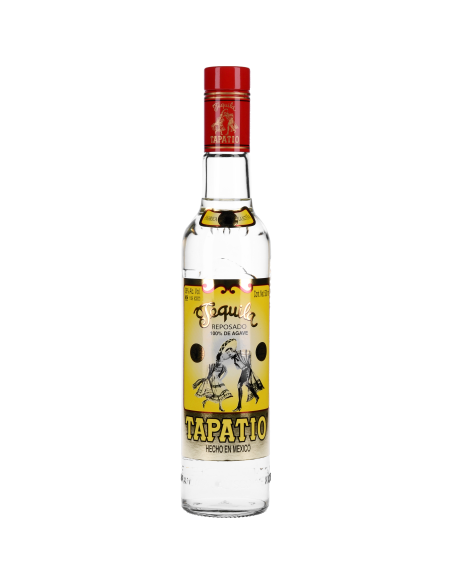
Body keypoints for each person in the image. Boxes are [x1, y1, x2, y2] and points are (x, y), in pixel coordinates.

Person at [219, 339, 264, 412]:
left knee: (240, 385)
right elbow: (238, 367)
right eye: (228, 354)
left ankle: (240, 406)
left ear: (233, 351)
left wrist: (248, 364)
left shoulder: (240, 353)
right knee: (244, 384)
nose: (229, 355)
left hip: (247, 369)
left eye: (230, 353)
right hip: (244, 371)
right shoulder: (235, 358)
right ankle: (255, 397)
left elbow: (248, 353)